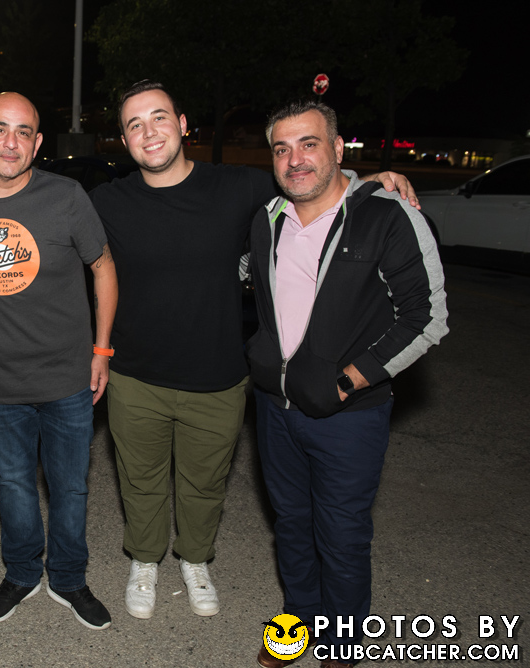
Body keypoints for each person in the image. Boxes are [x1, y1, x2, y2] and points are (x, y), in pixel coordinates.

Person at [87, 80, 419, 621]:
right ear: (124, 140)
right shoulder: (107, 201)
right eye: (134, 124)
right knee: (140, 482)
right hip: (135, 376)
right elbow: (41, 209)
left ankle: (196, 559)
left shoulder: (240, 187)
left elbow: (311, 177)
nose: (149, 132)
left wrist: (370, 180)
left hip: (219, 378)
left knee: (204, 484)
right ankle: (144, 560)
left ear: (183, 124)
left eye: (159, 117)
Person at [246, 100, 446, 668]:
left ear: (338, 148)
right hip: (275, 408)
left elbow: (426, 318)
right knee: (292, 528)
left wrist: (348, 381)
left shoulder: (387, 217)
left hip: (348, 416)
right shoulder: (267, 220)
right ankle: (296, 628)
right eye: (282, 149)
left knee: (341, 536)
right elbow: (244, 279)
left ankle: (341, 646)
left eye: (309, 144)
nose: (295, 160)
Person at [0, 92, 118, 630]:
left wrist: (102, 349)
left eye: (23, 132)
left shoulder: (66, 197)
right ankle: (21, 574)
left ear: (38, 143)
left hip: (68, 379)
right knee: (14, 485)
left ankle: (67, 577)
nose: (10, 142)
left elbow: (103, 268)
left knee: (70, 487)